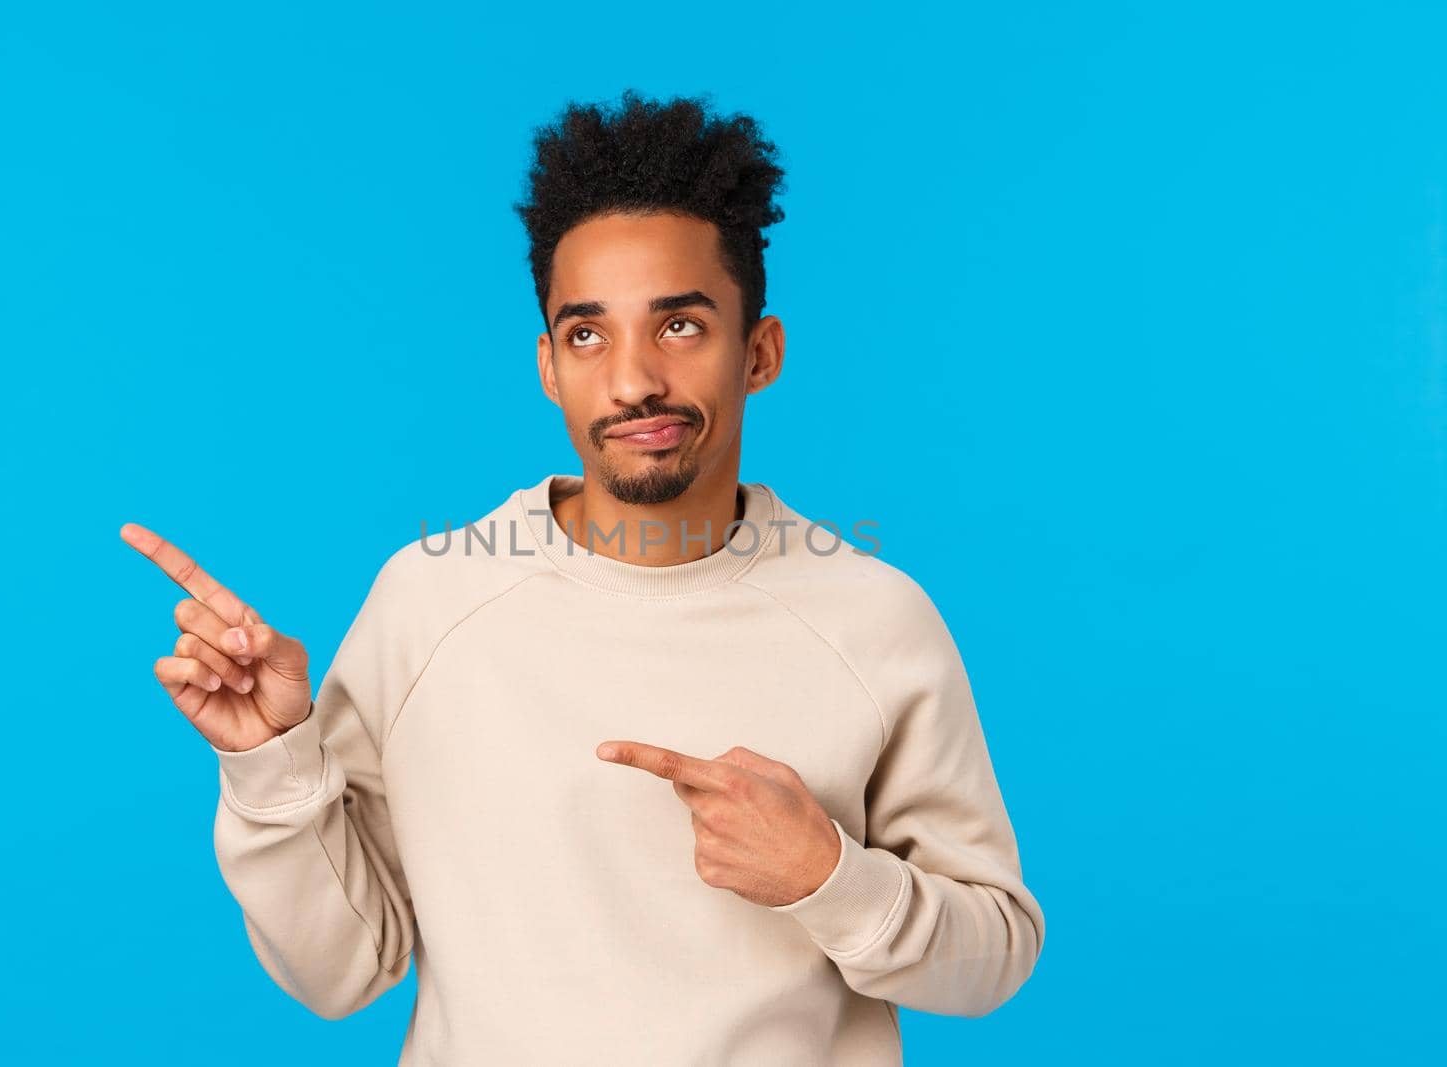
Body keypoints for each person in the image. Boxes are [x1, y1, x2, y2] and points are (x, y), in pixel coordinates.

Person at [121, 89, 1045, 1065]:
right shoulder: (431, 600)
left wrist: (828, 875)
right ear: (549, 366)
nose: (634, 378)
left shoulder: (874, 618)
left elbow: (993, 959)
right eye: (588, 333)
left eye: (681, 326)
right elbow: (340, 968)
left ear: (759, 351)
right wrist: (270, 760)